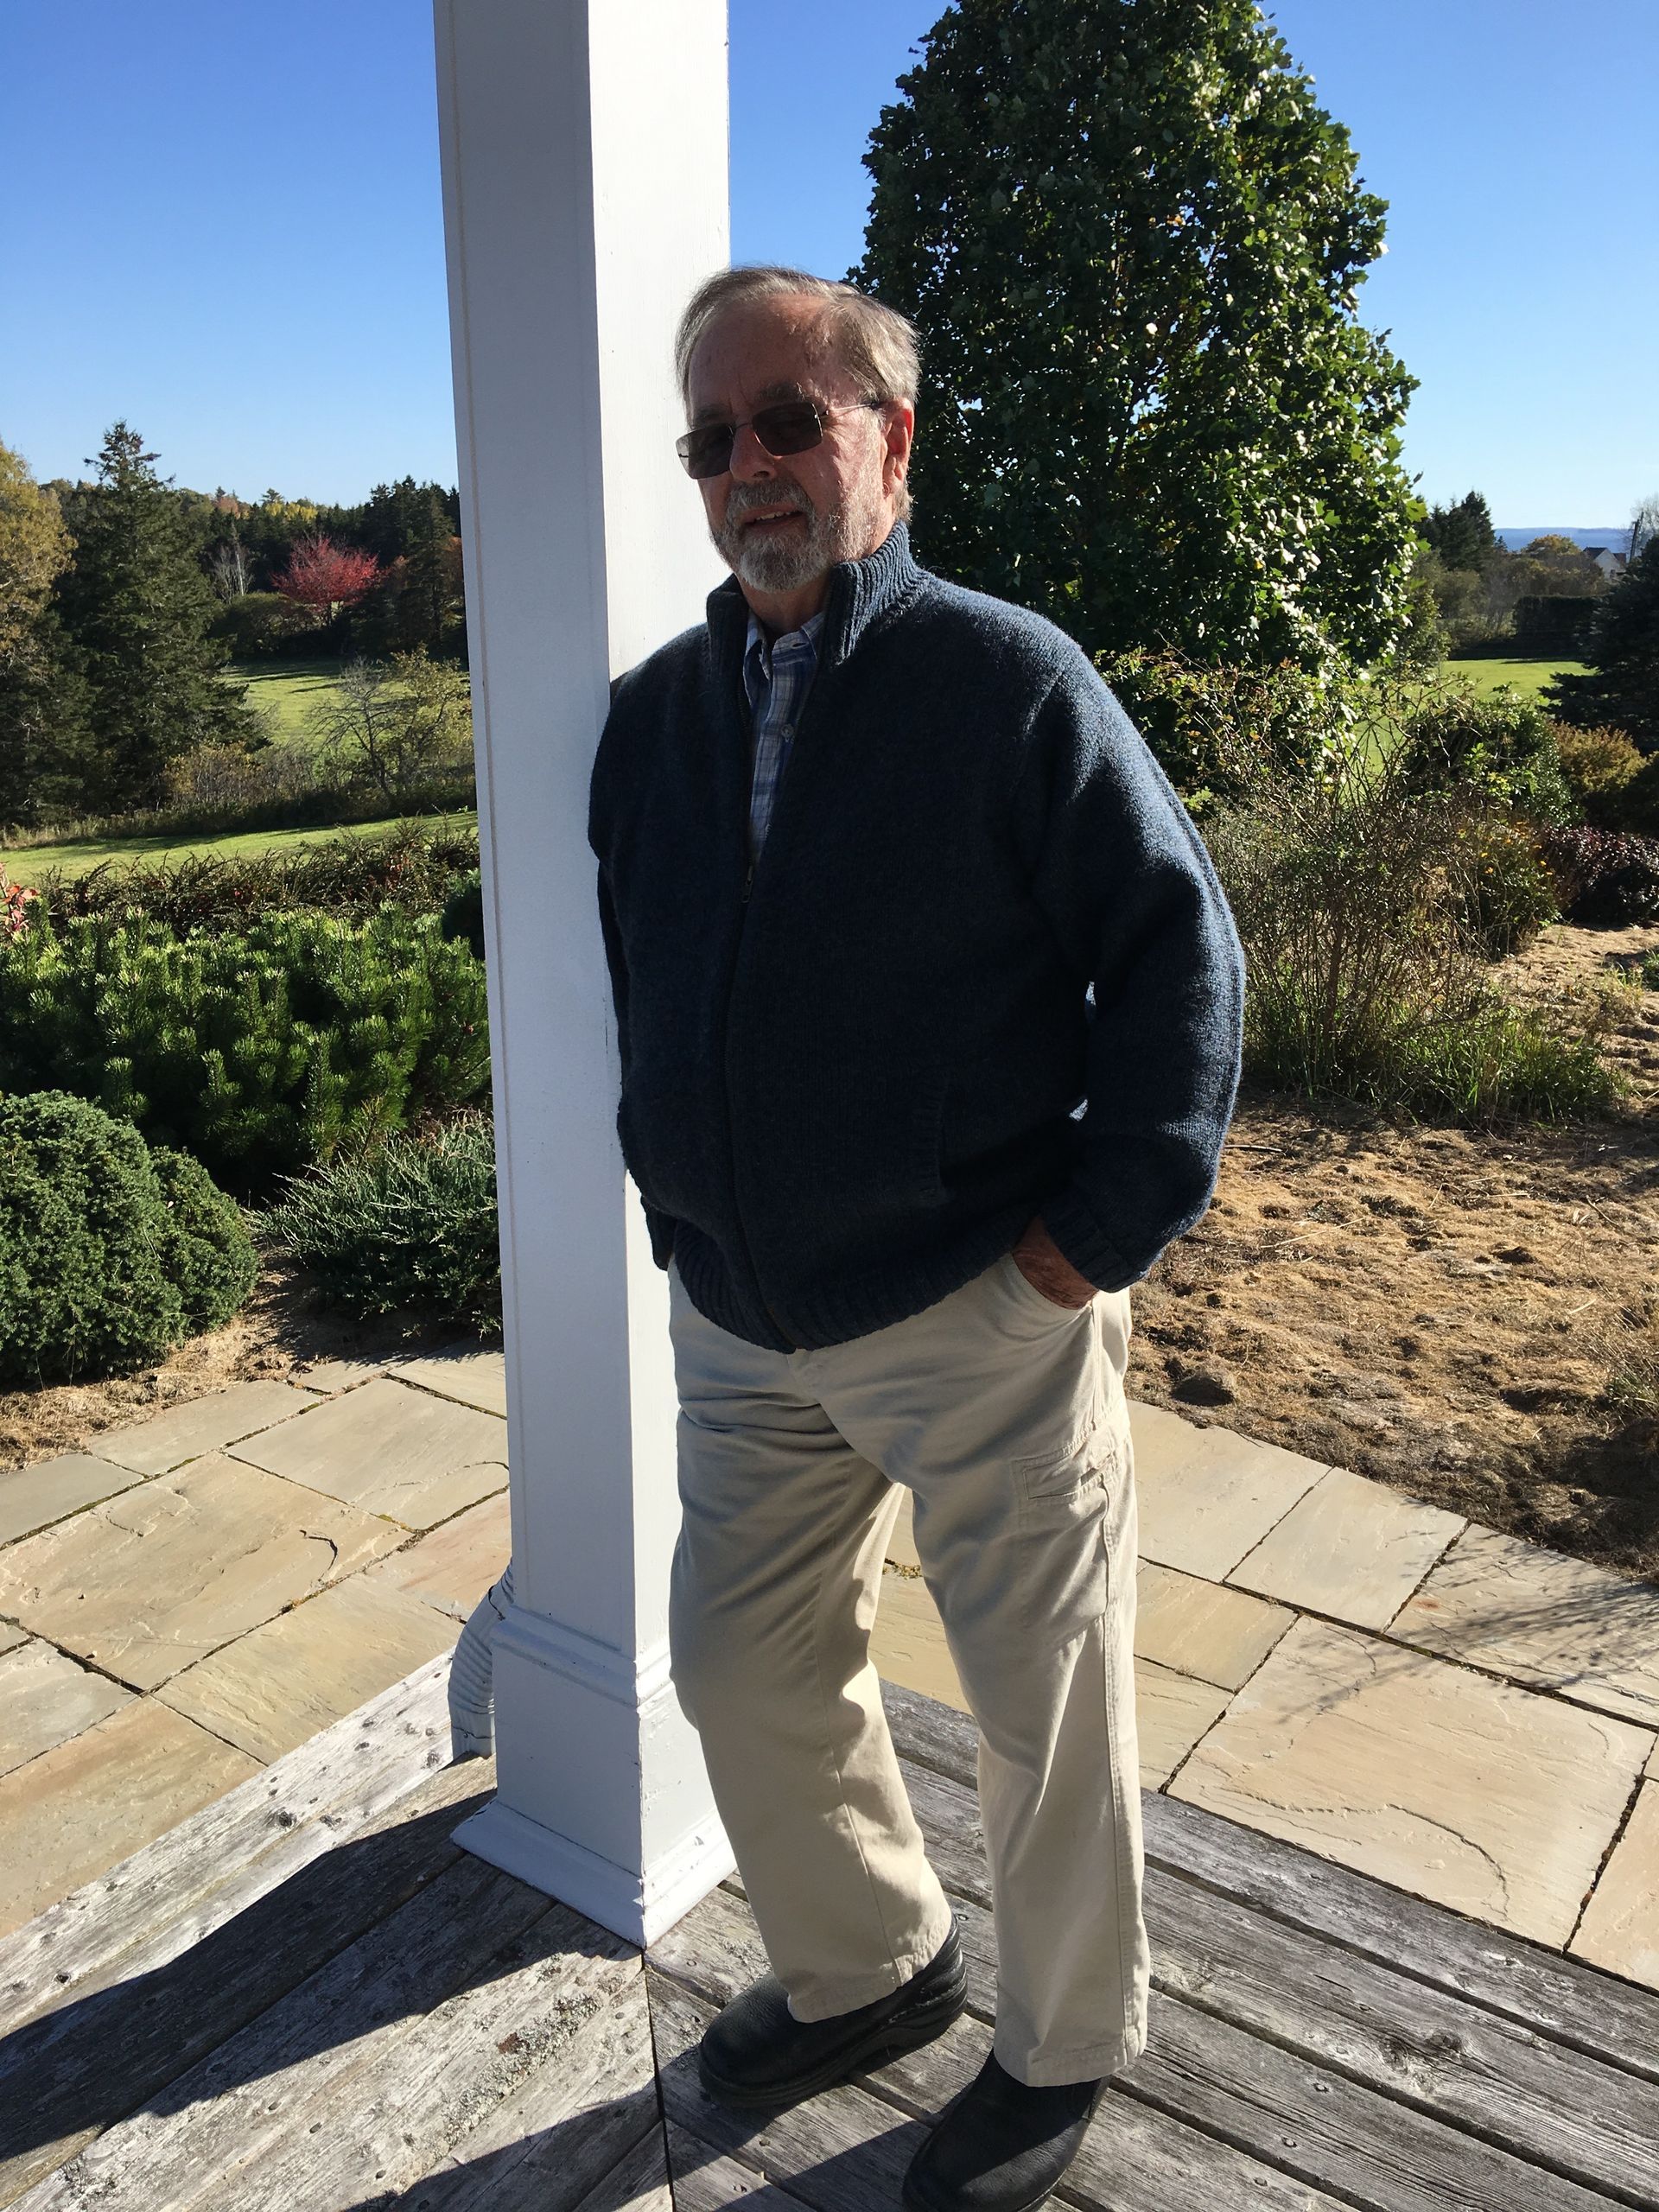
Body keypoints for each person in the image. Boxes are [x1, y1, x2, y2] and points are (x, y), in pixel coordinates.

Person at [587, 264, 1245, 2212]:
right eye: (715, 436)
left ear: (890, 437)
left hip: (980, 1306)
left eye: (790, 419)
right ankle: (873, 1962)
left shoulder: (1009, 682)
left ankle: (1063, 2045)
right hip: (744, 1317)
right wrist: (676, 1192)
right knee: (737, 1663)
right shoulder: (656, 716)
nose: (749, 465)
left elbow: (1179, 958)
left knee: (1047, 1705)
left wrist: (1085, 1240)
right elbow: (647, 971)